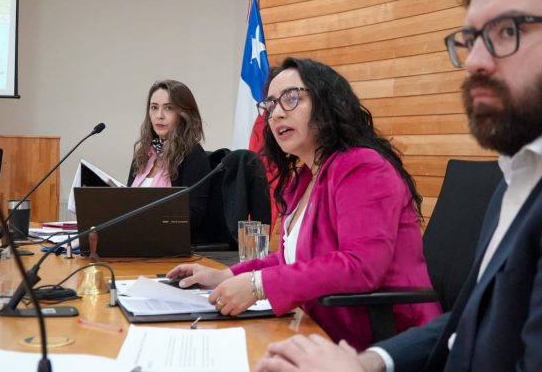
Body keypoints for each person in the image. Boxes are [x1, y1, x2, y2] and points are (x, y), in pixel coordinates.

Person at [255, 0, 542, 370]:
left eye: (507, 32)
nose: (474, 61)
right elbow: (466, 324)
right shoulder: (521, 174)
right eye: (471, 39)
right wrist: (371, 363)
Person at [167, 57, 441, 350]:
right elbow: (292, 258)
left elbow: (361, 266)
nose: (276, 114)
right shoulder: (306, 178)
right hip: (322, 329)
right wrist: (225, 275)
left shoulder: (362, 166)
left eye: (291, 98)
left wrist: (259, 285)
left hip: (385, 341)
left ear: (326, 103)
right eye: (270, 105)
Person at [128, 79, 211, 242]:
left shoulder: (193, 155)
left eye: (168, 108)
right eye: (154, 107)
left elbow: (194, 215)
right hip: (133, 240)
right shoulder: (143, 154)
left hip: (169, 245)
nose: (159, 115)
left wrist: (150, 218)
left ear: (184, 114)